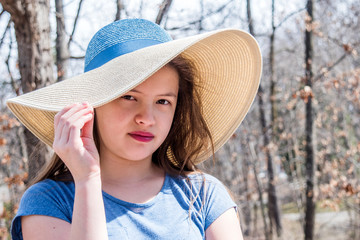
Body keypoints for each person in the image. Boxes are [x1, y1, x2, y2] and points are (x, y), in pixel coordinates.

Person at [7, 18, 262, 239]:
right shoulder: (50, 201)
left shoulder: (204, 196)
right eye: (129, 97)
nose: (146, 118)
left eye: (163, 101)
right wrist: (87, 180)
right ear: (92, 106)